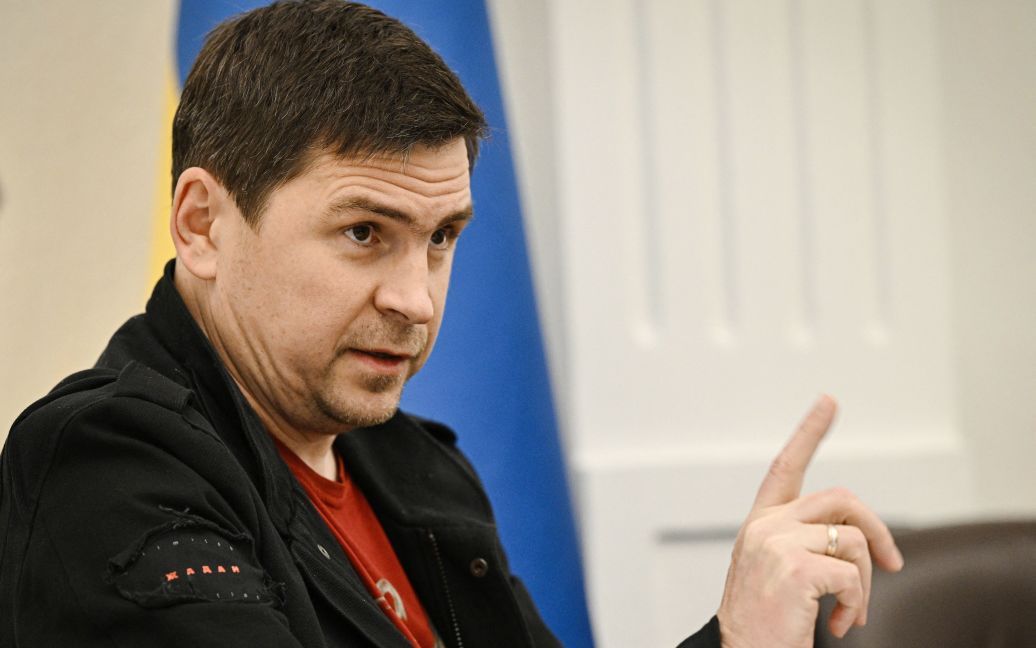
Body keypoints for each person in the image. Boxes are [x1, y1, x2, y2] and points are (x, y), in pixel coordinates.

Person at [0, 1, 903, 646]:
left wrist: (738, 636)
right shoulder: (105, 465)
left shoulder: (411, 464)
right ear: (203, 225)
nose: (417, 300)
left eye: (440, 239)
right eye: (364, 233)